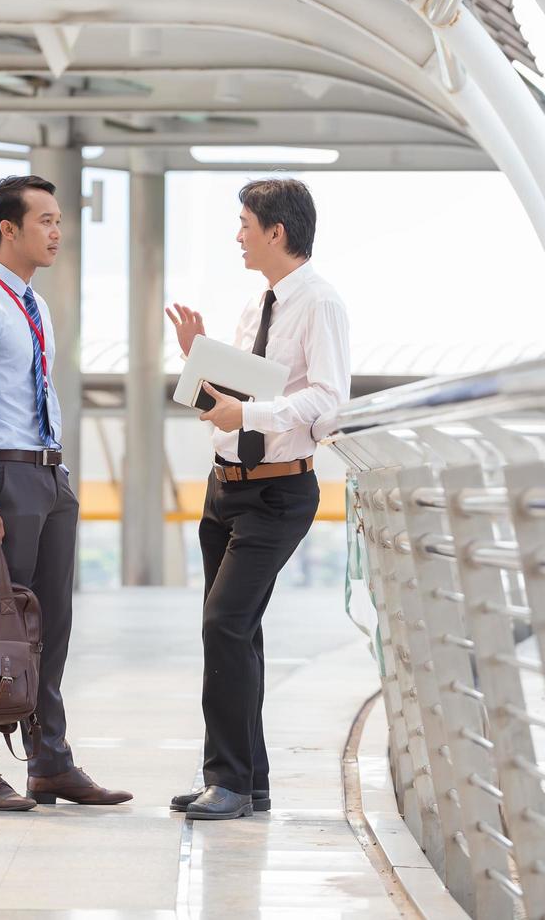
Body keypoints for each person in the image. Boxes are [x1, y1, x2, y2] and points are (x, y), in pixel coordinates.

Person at [164, 178, 351, 820]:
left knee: (226, 623)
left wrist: (246, 412)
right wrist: (199, 363)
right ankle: (250, 780)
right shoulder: (256, 307)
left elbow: (327, 397)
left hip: (278, 493)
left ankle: (229, 780)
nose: (238, 235)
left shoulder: (320, 304)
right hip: (227, 491)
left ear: (277, 231)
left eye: (245, 223)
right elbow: (243, 394)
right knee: (237, 631)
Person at [0, 174, 132, 812]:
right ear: (9, 230)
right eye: (46, 220)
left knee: (49, 628)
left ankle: (49, 762)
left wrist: (60, 478)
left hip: (49, 477)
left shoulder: (34, 305)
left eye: (58, 220)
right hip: (3, 477)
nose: (58, 231)